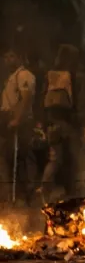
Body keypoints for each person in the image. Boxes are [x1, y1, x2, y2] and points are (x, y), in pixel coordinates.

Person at [41, 44, 80, 200]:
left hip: (52, 121)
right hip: (67, 122)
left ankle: (46, 187)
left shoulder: (50, 76)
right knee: (71, 157)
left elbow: (42, 99)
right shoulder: (72, 76)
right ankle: (70, 190)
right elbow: (77, 101)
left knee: (55, 157)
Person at [1, 49, 36, 204]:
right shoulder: (10, 77)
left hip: (20, 122)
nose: (8, 60)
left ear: (19, 57)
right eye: (6, 57)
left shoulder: (24, 75)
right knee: (8, 158)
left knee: (20, 158)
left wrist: (17, 119)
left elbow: (26, 99)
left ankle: (25, 195)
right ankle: (11, 194)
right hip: (7, 119)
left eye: (12, 56)